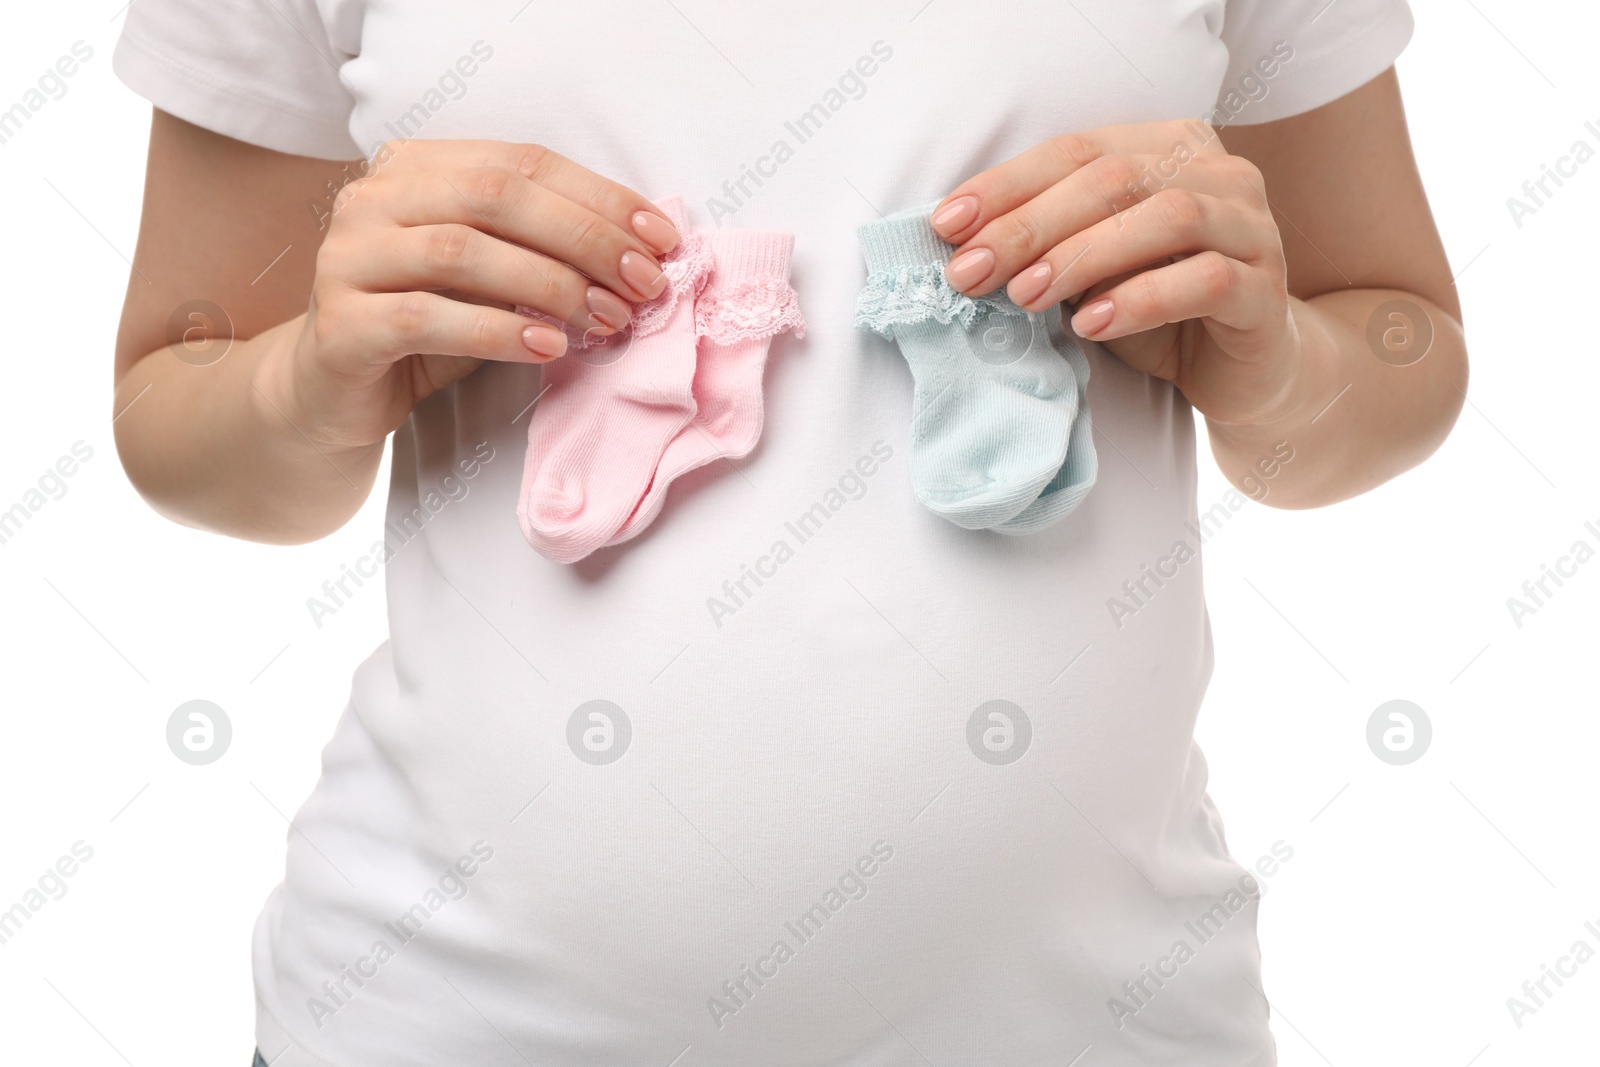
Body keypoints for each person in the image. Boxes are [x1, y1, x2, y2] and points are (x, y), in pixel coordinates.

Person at [109, 1, 1465, 1063]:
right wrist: (310, 378)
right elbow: (182, 421)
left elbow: (1401, 351)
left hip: (1113, 1024)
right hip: (441, 1019)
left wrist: (1272, 360)